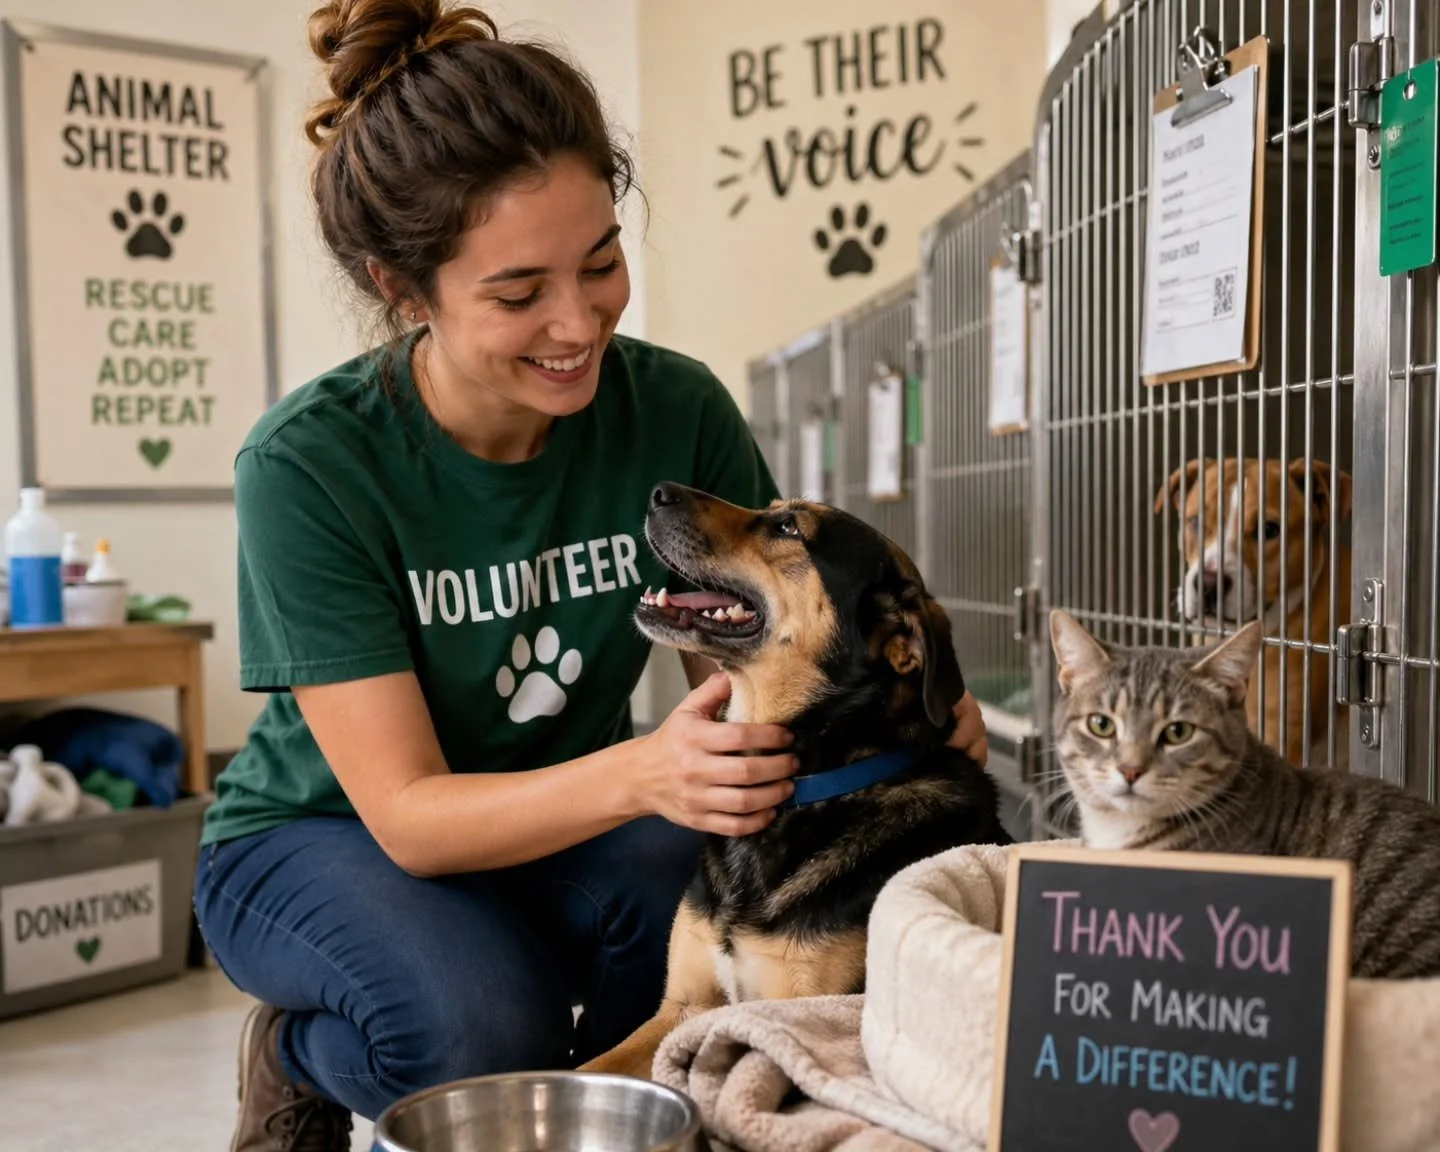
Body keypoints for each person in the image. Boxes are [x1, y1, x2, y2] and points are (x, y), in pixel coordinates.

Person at [192, 1, 991, 1147]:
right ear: (403, 288)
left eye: (603, 263)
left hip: (570, 803)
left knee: (703, 886)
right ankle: (299, 1054)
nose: (578, 323)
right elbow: (412, 819)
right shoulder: (310, 465)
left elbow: (757, 661)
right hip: (322, 838)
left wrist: (907, 712)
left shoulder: (674, 409)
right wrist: (649, 774)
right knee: (478, 1026)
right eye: (519, 295)